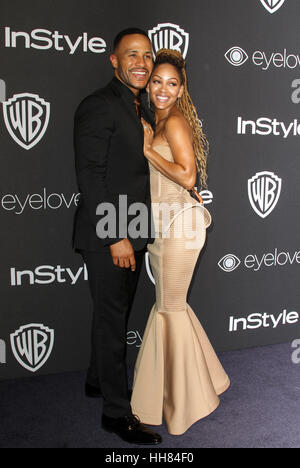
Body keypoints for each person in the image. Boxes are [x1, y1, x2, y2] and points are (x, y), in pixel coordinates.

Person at [131, 49, 230, 435]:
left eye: (172, 84)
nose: (162, 89)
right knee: (173, 307)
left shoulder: (173, 122)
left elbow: (188, 177)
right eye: (157, 81)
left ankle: (184, 403)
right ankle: (207, 381)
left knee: (169, 309)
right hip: (161, 227)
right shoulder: (151, 120)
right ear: (148, 82)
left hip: (182, 226)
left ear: (181, 89)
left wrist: (145, 151)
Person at [73, 28, 162, 445]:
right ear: (114, 60)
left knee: (115, 316)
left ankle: (97, 381)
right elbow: (90, 176)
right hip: (110, 233)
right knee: (113, 322)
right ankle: (115, 414)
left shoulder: (136, 106)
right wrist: (116, 237)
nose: (141, 63)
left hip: (133, 228)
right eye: (132, 55)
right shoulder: (98, 105)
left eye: (147, 55)